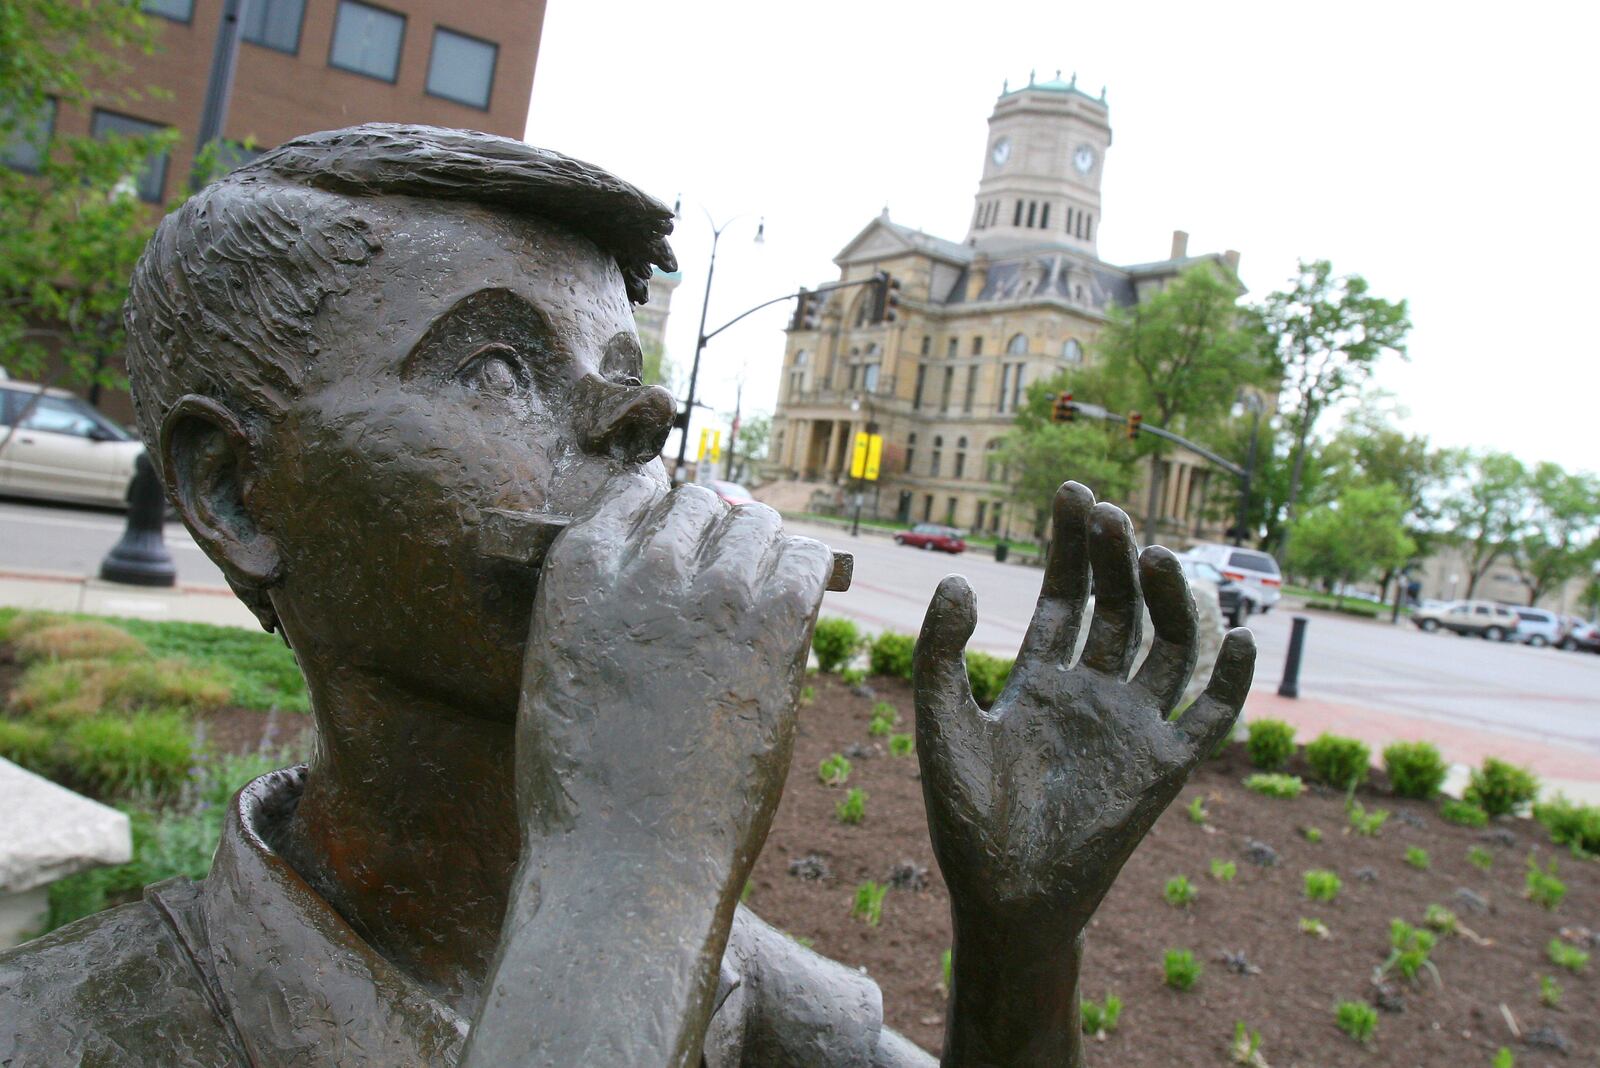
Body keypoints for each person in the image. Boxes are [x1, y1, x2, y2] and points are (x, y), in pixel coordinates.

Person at [0, 125, 1253, 1067]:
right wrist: (632, 869)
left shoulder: (743, 981)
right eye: (496, 365)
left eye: (623, 369)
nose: (644, 414)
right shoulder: (57, 1030)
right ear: (233, 493)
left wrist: (1018, 956)